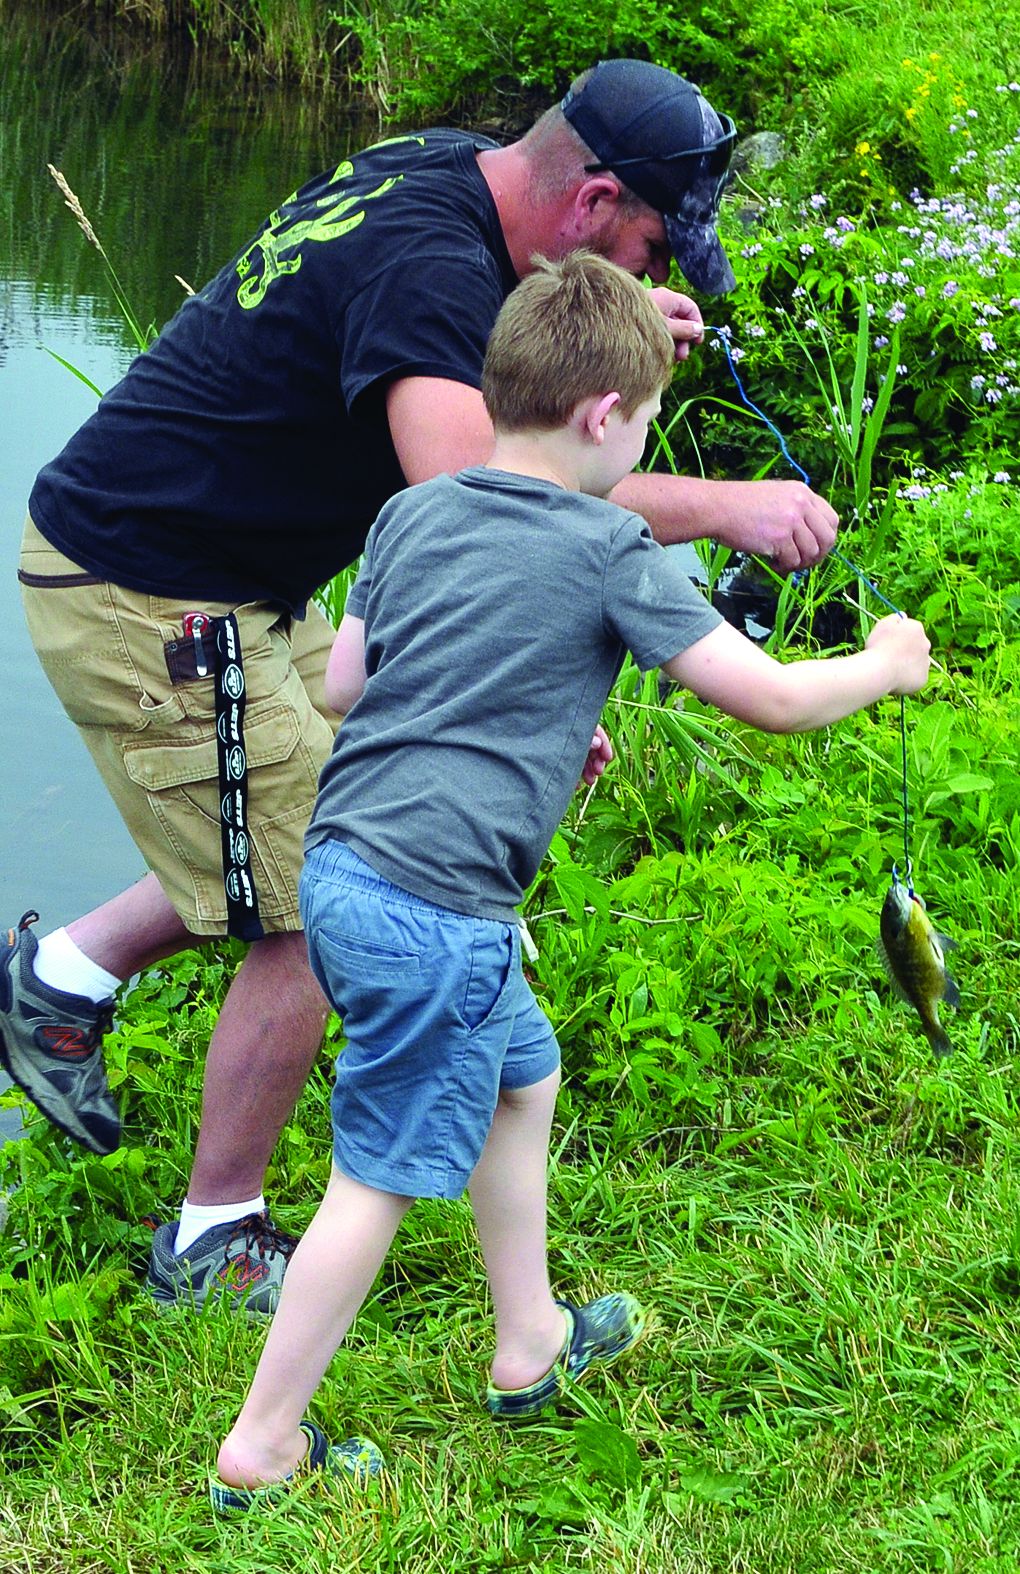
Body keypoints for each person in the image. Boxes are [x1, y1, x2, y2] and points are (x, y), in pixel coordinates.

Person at [1, 59, 839, 1315]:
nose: (662, 281)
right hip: (150, 591)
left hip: (236, 576)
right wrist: (723, 509)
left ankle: (60, 978)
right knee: (309, 894)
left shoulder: (458, 169)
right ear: (590, 195)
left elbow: (484, 390)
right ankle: (211, 1240)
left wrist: (606, 314)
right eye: (650, 251)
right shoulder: (430, 269)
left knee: (323, 809)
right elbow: (478, 503)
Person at [209, 250, 929, 1510]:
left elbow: (348, 687)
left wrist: (532, 714)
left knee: (521, 1075)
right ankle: (263, 1443)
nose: (638, 440)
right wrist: (885, 662)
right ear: (608, 415)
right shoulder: (611, 544)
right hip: (438, 909)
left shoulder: (412, 509)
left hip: (343, 868)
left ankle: (528, 1335)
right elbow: (767, 697)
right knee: (373, 1178)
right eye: (646, 420)